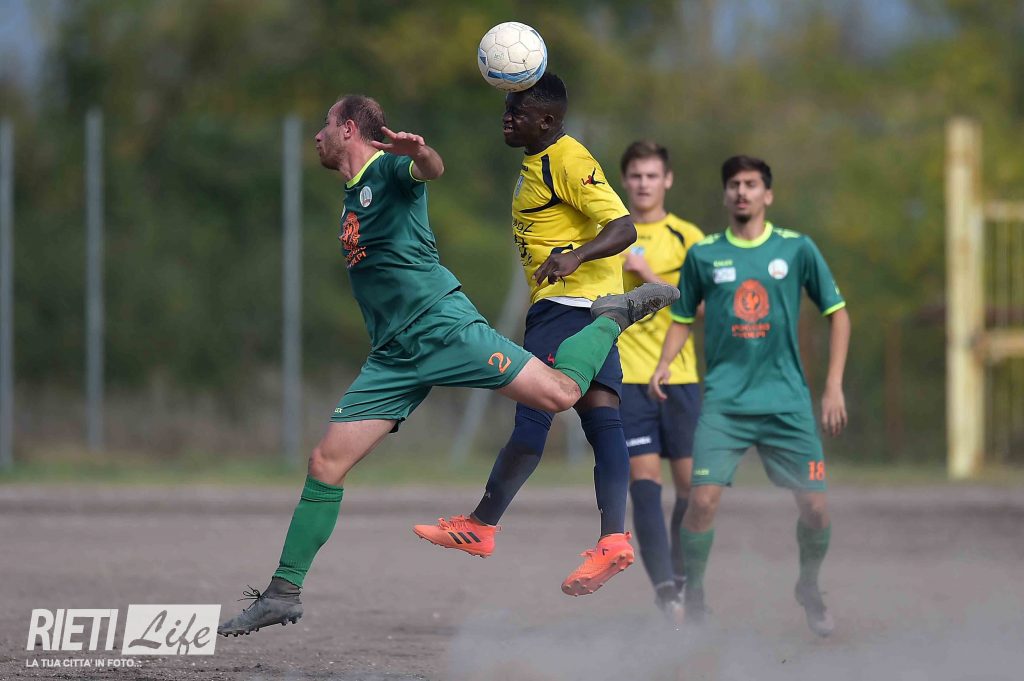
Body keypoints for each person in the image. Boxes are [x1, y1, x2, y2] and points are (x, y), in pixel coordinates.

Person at [217, 95, 677, 636]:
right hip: (393, 355)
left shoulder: (387, 168)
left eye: (326, 125)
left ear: (349, 129)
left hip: (442, 326)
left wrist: (420, 152)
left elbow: (429, 169)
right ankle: (282, 592)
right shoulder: (350, 198)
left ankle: (611, 318)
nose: (317, 135)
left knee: (559, 395)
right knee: (325, 462)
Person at [413, 73, 643, 597]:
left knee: (533, 417)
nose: (507, 117)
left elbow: (624, 226)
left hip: (566, 307)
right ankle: (613, 540)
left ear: (548, 120)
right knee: (604, 421)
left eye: (518, 111)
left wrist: (575, 256)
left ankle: (482, 524)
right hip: (594, 310)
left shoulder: (567, 158)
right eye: (507, 108)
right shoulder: (538, 160)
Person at [649, 155, 849, 637]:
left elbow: (838, 314)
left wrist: (833, 386)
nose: (742, 191)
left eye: (752, 184)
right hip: (725, 404)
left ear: (768, 194)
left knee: (816, 509)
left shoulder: (796, 249)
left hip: (787, 403)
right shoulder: (704, 254)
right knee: (701, 501)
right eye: (735, 184)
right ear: (725, 195)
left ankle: (808, 586)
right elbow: (681, 317)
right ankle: (696, 595)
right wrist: (665, 362)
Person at [615, 141, 704, 623]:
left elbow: (704, 306)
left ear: (667, 180)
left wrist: (648, 274)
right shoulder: (612, 233)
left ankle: (685, 579)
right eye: (636, 175)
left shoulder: (688, 236)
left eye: (652, 175)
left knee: (693, 491)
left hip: (680, 378)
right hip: (628, 379)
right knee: (645, 483)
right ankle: (666, 591)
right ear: (625, 180)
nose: (644, 183)